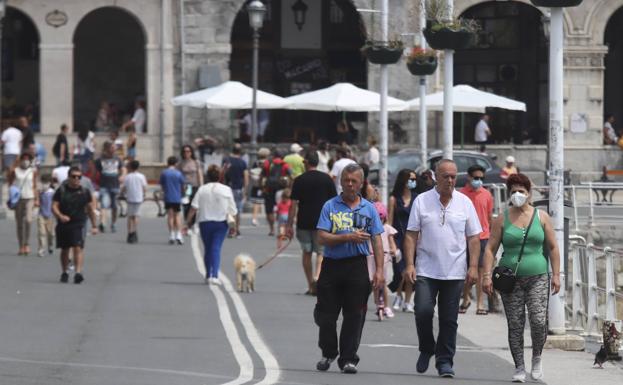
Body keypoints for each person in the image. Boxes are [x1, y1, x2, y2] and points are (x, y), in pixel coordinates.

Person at [402, 159, 481, 378]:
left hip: (454, 271)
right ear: (436, 176)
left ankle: (444, 361)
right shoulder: (422, 201)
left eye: (453, 176)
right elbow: (411, 235)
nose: (450, 180)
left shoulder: (465, 203)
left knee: (449, 319)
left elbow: (474, 238)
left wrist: (473, 267)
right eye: (445, 176)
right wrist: (409, 264)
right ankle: (427, 347)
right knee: (423, 311)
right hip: (426, 269)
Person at [482, 173, 561, 383]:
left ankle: (537, 356)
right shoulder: (503, 218)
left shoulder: (541, 217)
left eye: (521, 191)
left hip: (538, 277)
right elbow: (490, 249)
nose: (517, 194)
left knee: (537, 321)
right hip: (510, 279)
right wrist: (486, 276)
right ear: (509, 194)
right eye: (514, 191)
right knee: (515, 324)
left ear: (529, 193)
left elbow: (553, 247)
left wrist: (556, 275)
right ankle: (519, 366)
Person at [314, 163, 384, 374]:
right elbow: (322, 236)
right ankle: (328, 352)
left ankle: (348, 358)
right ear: (341, 182)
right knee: (326, 315)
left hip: (357, 266)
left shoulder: (369, 208)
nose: (350, 185)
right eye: (346, 181)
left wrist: (380, 270)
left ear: (361, 184)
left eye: (354, 181)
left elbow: (377, 240)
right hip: (332, 265)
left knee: (355, 315)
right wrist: (347, 237)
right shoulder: (330, 206)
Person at [287, 151, 337, 296]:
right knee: (321, 253)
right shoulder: (326, 179)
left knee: (306, 252)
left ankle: (310, 284)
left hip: (303, 221)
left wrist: (289, 225)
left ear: (306, 162)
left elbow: (293, 205)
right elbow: (334, 203)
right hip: (322, 222)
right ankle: (317, 278)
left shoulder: (299, 180)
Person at [183, 164, 237, 284]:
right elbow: (233, 210)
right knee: (216, 247)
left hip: (205, 222)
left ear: (207, 176)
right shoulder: (226, 190)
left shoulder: (202, 189)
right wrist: (234, 227)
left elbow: (193, 207)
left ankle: (208, 274)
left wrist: (187, 223)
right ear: (220, 177)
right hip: (221, 223)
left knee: (208, 248)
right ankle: (215, 275)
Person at [52, 166, 98, 284]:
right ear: (69, 178)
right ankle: (65, 272)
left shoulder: (84, 191)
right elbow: (54, 206)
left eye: (79, 177)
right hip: (64, 223)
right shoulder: (62, 190)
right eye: (74, 177)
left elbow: (90, 209)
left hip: (79, 222)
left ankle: (78, 273)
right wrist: (60, 216)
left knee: (78, 247)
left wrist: (94, 225)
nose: (77, 179)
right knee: (65, 249)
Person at [459, 164, 494, 315]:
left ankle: (480, 303)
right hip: (464, 238)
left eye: (481, 178)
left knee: (480, 272)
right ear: (469, 177)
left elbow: (488, 217)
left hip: (482, 237)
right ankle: (465, 298)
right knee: (466, 271)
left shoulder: (487, 195)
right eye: (475, 178)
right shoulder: (461, 194)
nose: (478, 180)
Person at [387, 169, 417, 312]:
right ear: (404, 180)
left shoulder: (417, 199)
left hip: (413, 240)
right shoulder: (393, 199)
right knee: (400, 270)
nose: (413, 182)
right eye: (411, 179)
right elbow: (389, 223)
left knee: (410, 270)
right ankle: (398, 293)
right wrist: (391, 242)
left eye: (414, 180)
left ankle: (408, 300)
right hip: (398, 239)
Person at [367, 201, 397, 320]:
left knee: (383, 283)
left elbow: (391, 241)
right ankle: (377, 303)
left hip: (384, 257)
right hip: (371, 256)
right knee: (374, 283)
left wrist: (394, 249)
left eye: (381, 218)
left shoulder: (387, 228)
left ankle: (386, 305)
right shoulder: (369, 229)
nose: (379, 221)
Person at [8, 153, 38, 255]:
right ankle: (21, 245)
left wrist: (37, 199)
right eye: (23, 159)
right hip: (19, 199)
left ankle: (27, 243)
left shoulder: (32, 171)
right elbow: (10, 184)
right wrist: (11, 197)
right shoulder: (15, 171)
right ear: (20, 160)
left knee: (29, 220)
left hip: (29, 197)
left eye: (27, 159)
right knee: (19, 223)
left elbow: (34, 185)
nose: (25, 161)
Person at [95, 141, 125, 233]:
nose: (114, 149)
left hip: (115, 185)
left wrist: (122, 176)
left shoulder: (118, 159)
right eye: (112, 147)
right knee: (103, 205)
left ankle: (113, 223)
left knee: (114, 206)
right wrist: (95, 184)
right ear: (107, 149)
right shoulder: (100, 160)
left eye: (115, 148)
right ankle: (103, 223)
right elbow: (96, 172)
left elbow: (123, 169)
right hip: (104, 185)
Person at [261, 150, 292, 236]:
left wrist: (262, 187)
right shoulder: (285, 165)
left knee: (269, 210)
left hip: (269, 189)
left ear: (274, 156)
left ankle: (272, 229)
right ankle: (283, 231)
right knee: (282, 210)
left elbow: (262, 176)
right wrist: (289, 187)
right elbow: (291, 175)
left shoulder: (268, 163)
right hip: (281, 190)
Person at [222, 143, 248, 238]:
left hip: (227, 188)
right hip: (238, 189)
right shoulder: (242, 162)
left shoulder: (227, 160)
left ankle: (231, 229)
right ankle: (236, 229)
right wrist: (245, 190)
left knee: (228, 210)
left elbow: (223, 173)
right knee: (237, 210)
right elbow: (246, 177)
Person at [160, 156, 186, 245]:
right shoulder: (178, 174)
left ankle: (171, 234)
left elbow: (162, 185)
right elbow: (183, 185)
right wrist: (183, 193)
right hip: (177, 197)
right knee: (177, 216)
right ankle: (178, 234)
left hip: (168, 197)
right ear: (176, 163)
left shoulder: (164, 173)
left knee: (170, 216)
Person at [178, 145, 204, 228]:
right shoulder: (181, 163)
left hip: (194, 186)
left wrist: (201, 186)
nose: (187, 153)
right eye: (185, 151)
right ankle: (187, 222)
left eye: (188, 151)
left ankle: (192, 222)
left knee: (194, 205)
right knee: (186, 205)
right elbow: (178, 175)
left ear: (191, 152)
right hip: (185, 187)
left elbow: (199, 174)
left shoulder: (196, 162)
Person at [121, 160, 147, 244]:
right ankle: (135, 231)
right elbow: (144, 187)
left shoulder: (128, 177)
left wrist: (122, 193)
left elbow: (124, 187)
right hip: (138, 197)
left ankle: (130, 232)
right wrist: (144, 194)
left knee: (130, 216)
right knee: (136, 215)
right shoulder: (141, 176)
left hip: (130, 197)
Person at [249, 147, 270, 227]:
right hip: (265, 184)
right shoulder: (267, 163)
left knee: (256, 202)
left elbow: (252, 172)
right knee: (267, 201)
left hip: (256, 184)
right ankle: (268, 218)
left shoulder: (256, 162)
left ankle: (254, 218)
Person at [37, 174, 56, 257]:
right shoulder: (40, 192)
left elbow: (55, 204)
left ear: (49, 183)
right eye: (43, 182)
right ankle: (41, 249)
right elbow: (37, 201)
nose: (44, 184)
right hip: (41, 214)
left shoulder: (52, 192)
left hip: (50, 215)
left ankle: (50, 245)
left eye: (46, 182)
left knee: (51, 233)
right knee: (41, 232)